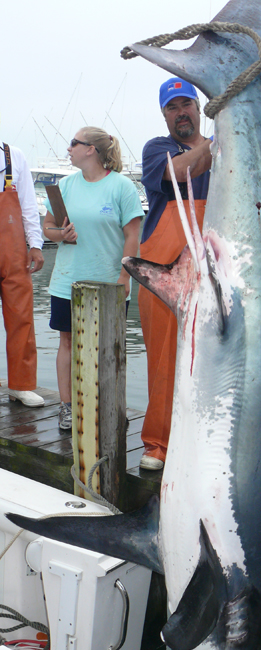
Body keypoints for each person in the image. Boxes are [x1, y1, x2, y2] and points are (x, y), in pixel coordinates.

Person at [43, 127, 144, 430]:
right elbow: (48, 227)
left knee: (108, 349)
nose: (69, 147)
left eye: (74, 143)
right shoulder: (64, 186)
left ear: (91, 150)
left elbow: (133, 234)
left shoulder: (121, 187)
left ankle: (110, 406)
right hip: (66, 282)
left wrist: (125, 277)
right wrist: (60, 234)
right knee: (67, 342)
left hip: (110, 284)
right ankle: (67, 407)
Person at [138, 77, 212, 470]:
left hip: (213, 265)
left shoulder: (224, 149)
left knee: (216, 357)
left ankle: (204, 442)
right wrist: (217, 144)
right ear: (164, 114)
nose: (181, 112)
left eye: (187, 104)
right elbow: (178, 171)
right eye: (172, 107)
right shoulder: (158, 149)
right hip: (163, 267)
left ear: (198, 108)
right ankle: (158, 444)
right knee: (165, 358)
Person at [0, 141, 44, 407]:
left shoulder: (13, 155)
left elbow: (28, 204)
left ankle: (21, 385)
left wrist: (36, 245)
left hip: (14, 251)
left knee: (21, 316)